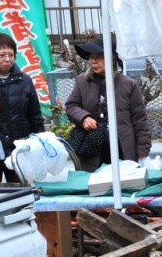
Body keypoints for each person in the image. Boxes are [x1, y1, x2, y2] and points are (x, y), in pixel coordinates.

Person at [65, 37, 151, 173]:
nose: (93, 61)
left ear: (111, 60)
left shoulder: (128, 85)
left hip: (122, 148)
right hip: (92, 149)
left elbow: (140, 121)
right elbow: (71, 106)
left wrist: (142, 153)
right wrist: (83, 117)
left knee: (124, 186)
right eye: (91, 57)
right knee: (94, 186)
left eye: (99, 57)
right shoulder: (82, 81)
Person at [0, 33, 44, 182]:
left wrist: (39, 139)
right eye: (2, 55)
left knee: (22, 190)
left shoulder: (24, 80)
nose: (7, 59)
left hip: (19, 147)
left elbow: (34, 113)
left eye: (11, 55)